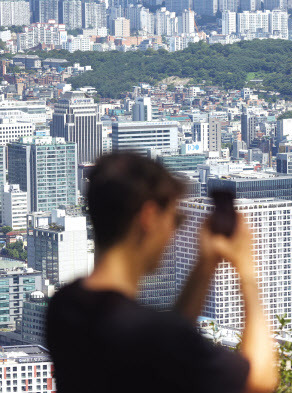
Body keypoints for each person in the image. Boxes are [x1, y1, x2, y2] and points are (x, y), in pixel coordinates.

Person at [46, 152, 278, 393]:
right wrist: (247, 271)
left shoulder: (65, 307)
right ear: (149, 217)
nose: (173, 232)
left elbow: (172, 343)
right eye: (176, 219)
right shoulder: (152, 334)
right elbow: (259, 380)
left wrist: (205, 265)